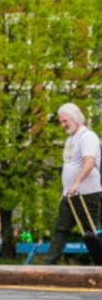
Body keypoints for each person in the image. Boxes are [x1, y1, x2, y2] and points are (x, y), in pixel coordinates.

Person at [45, 103, 101, 264]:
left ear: (75, 119)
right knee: (61, 229)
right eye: (61, 122)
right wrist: (65, 191)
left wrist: (77, 182)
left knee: (90, 231)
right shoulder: (70, 139)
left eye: (65, 121)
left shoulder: (87, 136)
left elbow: (89, 162)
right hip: (70, 194)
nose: (63, 125)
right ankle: (49, 263)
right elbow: (70, 166)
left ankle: (99, 264)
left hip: (87, 192)